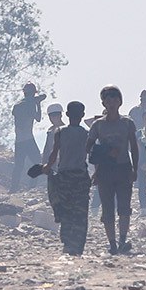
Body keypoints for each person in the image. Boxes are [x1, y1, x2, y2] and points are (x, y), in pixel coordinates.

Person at [86, 85, 139, 254]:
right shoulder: (98, 125)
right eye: (107, 99)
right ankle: (112, 244)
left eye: (114, 99)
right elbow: (89, 148)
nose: (111, 102)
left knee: (124, 207)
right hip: (105, 171)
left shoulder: (127, 123)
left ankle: (122, 240)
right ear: (103, 102)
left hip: (123, 168)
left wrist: (135, 169)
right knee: (107, 208)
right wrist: (100, 161)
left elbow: (134, 147)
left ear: (120, 101)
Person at [42, 101, 90, 255]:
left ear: (67, 115)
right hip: (81, 176)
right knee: (80, 212)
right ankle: (78, 246)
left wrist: (47, 168)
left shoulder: (60, 132)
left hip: (65, 176)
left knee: (66, 211)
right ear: (82, 116)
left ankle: (68, 243)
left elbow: (54, 153)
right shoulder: (86, 133)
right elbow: (91, 154)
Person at [10, 83, 46, 192]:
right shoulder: (30, 104)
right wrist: (38, 103)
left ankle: (13, 188)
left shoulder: (17, 105)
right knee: (38, 162)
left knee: (18, 166)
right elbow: (38, 118)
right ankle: (31, 187)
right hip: (28, 139)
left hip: (19, 140)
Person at [135, 109, 146, 217]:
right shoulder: (138, 133)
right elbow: (136, 149)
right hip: (141, 164)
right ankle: (144, 208)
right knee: (141, 186)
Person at [41, 103, 64, 168]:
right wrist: (44, 162)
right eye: (51, 116)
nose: (52, 118)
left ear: (60, 115)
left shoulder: (65, 129)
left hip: (63, 162)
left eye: (55, 115)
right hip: (52, 163)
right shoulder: (50, 130)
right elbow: (47, 147)